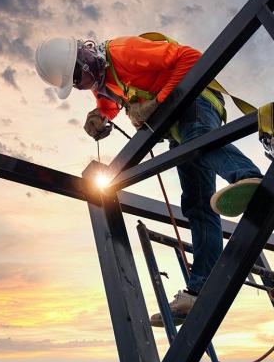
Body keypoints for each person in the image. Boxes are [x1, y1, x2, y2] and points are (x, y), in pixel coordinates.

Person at [34, 35, 263, 326]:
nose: (81, 85)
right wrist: (100, 115)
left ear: (85, 58)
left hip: (197, 101)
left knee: (197, 141)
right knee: (196, 204)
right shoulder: (104, 82)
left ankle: (249, 177)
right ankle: (200, 289)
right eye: (75, 84)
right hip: (179, 124)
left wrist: (158, 102)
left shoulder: (122, 52)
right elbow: (113, 101)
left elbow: (190, 57)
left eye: (78, 77)